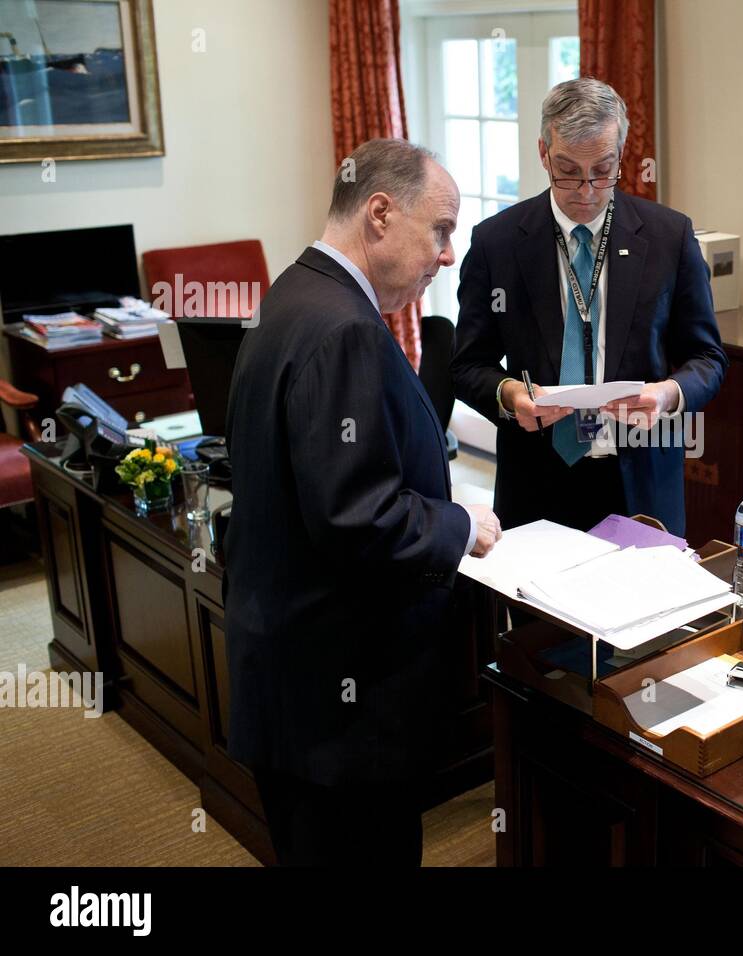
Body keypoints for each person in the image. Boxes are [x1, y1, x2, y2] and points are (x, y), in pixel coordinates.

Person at [223, 138, 501, 865]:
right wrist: (459, 522)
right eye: (440, 230)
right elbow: (358, 518)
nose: (447, 255)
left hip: (288, 678)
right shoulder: (344, 328)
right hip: (337, 706)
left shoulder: (291, 290)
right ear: (379, 214)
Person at [451, 78, 727, 536]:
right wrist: (510, 395)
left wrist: (666, 395)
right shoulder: (495, 243)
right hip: (537, 480)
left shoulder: (669, 237)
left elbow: (708, 359)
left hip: (641, 480)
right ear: (543, 153)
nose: (586, 189)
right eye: (567, 171)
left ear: (621, 155)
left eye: (602, 171)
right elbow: (466, 365)